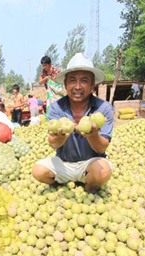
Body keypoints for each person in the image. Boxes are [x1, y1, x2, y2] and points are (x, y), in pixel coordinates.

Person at [32, 53, 114, 194]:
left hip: (90, 162)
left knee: (103, 171)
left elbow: (101, 148)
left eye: (83, 81)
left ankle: (89, 187)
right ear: (65, 84)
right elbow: (53, 143)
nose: (77, 86)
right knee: (38, 171)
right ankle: (60, 184)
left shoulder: (103, 109)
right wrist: (61, 136)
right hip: (64, 163)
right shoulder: (56, 107)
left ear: (92, 85)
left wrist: (92, 135)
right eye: (72, 81)